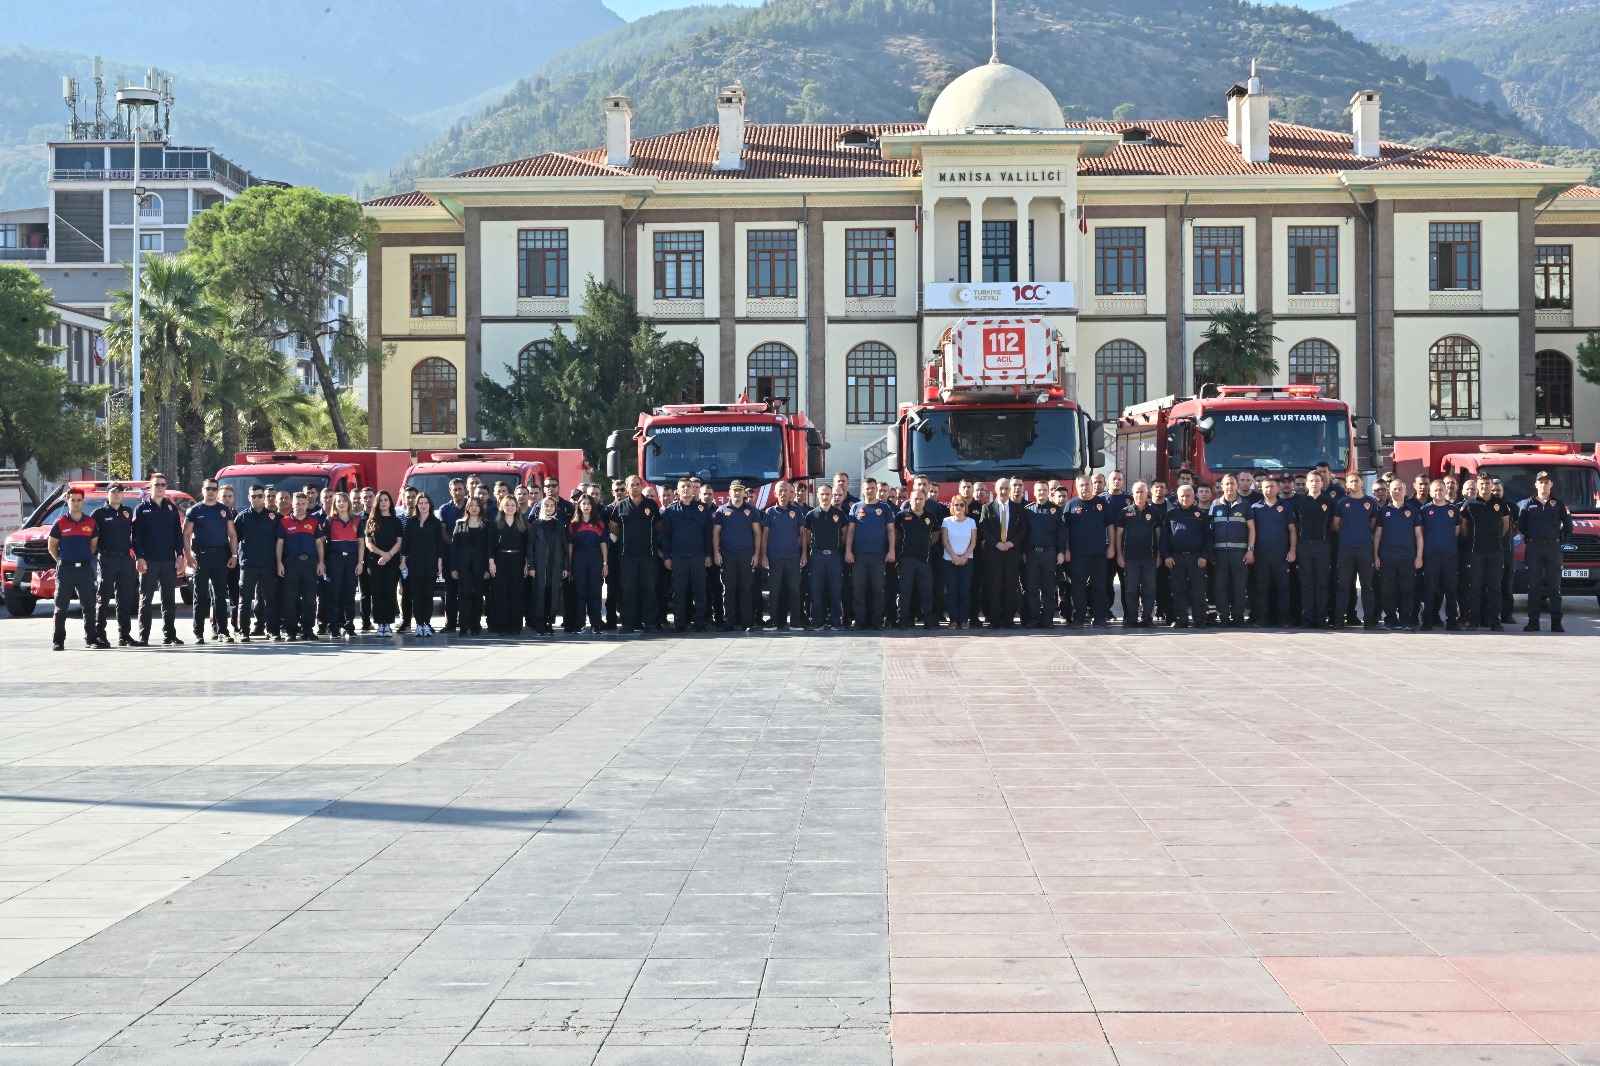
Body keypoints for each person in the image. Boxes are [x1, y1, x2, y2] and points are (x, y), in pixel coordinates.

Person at [47, 486, 103, 650]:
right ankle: (58, 640)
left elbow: (93, 546)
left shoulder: (91, 523)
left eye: (79, 500)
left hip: (85, 569)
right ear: (68, 501)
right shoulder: (60, 523)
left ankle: (91, 639)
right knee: (61, 606)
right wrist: (61, 560)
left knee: (89, 606)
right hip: (66, 569)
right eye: (73, 500)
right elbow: (52, 546)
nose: (76, 503)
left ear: (83, 502)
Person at [132, 472, 185, 646]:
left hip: (168, 561)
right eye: (157, 485)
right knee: (146, 599)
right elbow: (136, 536)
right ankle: (143, 636)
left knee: (169, 599)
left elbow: (178, 534)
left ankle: (169, 634)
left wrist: (180, 555)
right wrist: (139, 557)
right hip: (149, 561)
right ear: (151, 487)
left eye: (163, 484)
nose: (160, 487)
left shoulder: (171, 508)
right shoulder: (142, 508)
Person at [184, 478, 239, 644]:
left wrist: (234, 555)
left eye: (214, 489)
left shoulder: (224, 510)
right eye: (208, 488)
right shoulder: (194, 510)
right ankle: (198, 632)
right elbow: (186, 535)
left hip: (220, 556)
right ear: (202, 490)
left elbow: (232, 534)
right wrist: (188, 556)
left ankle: (223, 631)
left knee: (221, 596)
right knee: (200, 596)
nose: (211, 491)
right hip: (201, 556)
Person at [1518, 470, 1573, 633]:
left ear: (1551, 484)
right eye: (1540, 482)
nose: (1543, 484)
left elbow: (1569, 525)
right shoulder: (1529, 504)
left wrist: (1558, 538)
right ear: (1536, 484)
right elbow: (1521, 526)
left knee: (1554, 588)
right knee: (1533, 587)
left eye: (1546, 481)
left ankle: (1556, 623)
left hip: (1553, 548)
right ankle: (1533, 622)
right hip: (1534, 547)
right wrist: (1531, 537)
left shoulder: (1559, 503)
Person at [658, 477, 712, 633]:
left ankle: (700, 622)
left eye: (689, 486)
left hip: (698, 555)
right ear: (678, 491)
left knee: (700, 591)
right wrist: (667, 557)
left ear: (693, 489)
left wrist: (708, 554)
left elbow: (707, 533)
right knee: (679, 592)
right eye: (683, 487)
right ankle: (680, 622)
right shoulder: (670, 511)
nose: (687, 489)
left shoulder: (702, 509)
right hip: (678, 557)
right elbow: (666, 536)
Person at [610, 475, 662, 634]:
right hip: (627, 555)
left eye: (638, 484)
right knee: (628, 589)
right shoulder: (620, 506)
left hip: (648, 554)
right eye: (631, 485)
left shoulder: (651, 505)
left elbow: (659, 527)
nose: (635, 487)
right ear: (626, 487)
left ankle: (651, 623)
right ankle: (628, 623)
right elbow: (613, 527)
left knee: (649, 588)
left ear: (641, 486)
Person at [1460, 473, 1512, 631]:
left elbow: (1505, 525)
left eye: (1487, 483)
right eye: (1482, 484)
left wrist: (1495, 539)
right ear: (1478, 485)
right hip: (1476, 551)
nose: (1485, 487)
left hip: (1495, 552)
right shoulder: (1470, 504)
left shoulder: (1500, 503)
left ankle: (1495, 621)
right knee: (1475, 587)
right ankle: (1474, 620)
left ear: (1491, 484)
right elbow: (1463, 527)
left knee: (1495, 587)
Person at [91, 483, 137, 647]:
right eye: (113, 492)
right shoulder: (99, 514)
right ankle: (100, 634)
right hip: (107, 559)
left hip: (125, 559)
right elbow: (91, 538)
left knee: (124, 598)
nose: (116, 494)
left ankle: (124, 635)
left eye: (119, 492)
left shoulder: (127, 512)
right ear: (107, 494)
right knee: (103, 598)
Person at [1374, 480, 1423, 630]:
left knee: (1407, 590)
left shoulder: (1413, 511)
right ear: (1389, 491)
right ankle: (1390, 619)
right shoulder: (1383, 512)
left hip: (1407, 557)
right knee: (1387, 590)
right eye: (1394, 489)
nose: (1397, 491)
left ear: (1405, 490)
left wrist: (1419, 556)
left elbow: (1419, 536)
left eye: (1399, 489)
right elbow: (1377, 536)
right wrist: (1375, 556)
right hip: (1387, 557)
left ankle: (1405, 620)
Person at [1332, 472, 1379, 629]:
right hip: (1346, 549)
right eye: (1350, 482)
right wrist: (1347, 535)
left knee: (1367, 586)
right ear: (1347, 485)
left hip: (1365, 549)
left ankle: (1370, 621)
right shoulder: (1341, 503)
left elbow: (1372, 523)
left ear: (1361, 483)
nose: (1353, 484)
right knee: (1343, 586)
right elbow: (1336, 524)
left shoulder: (1370, 503)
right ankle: (1339, 620)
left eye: (1356, 481)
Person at [713, 482, 762, 633]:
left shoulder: (751, 510)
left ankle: (747, 622)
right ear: (730, 492)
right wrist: (716, 553)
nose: (737, 493)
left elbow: (758, 533)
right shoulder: (721, 510)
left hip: (747, 556)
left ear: (744, 493)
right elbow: (715, 533)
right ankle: (729, 622)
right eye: (735, 490)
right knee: (728, 590)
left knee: (746, 590)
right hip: (728, 556)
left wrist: (756, 554)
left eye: (740, 490)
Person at [277, 491, 325, 641]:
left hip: (310, 563)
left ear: (307, 505)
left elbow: (319, 543)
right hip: (291, 563)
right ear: (292, 504)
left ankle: (308, 629)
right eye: (298, 504)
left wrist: (321, 562)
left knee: (310, 599)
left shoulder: (314, 521)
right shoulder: (285, 521)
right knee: (291, 598)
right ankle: (291, 630)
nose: (301, 507)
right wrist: (279, 563)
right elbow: (279, 543)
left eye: (303, 504)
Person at [848, 479, 895, 632]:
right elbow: (850, 531)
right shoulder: (856, 507)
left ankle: (877, 621)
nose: (870, 491)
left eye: (872, 488)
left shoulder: (885, 508)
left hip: (879, 555)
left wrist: (891, 550)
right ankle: (860, 621)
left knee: (878, 589)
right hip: (859, 555)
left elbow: (890, 531)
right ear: (863, 489)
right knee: (859, 589)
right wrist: (848, 550)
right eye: (867, 488)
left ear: (876, 489)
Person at [1248, 477, 1297, 628]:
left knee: (1283, 588)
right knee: (1262, 588)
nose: (1269, 490)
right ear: (1261, 489)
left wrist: (1292, 550)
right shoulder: (1254, 508)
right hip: (1261, 555)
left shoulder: (1286, 506)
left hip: (1281, 555)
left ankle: (1283, 619)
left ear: (1278, 489)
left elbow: (1292, 530)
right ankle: (1263, 618)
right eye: (1266, 487)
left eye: (1272, 487)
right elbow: (1250, 531)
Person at [234, 485, 280, 642]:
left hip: (268, 564)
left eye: (260, 496)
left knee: (271, 599)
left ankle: (273, 631)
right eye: (253, 496)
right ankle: (244, 631)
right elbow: (234, 539)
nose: (257, 499)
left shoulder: (274, 517)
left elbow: (280, 541)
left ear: (265, 498)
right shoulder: (242, 517)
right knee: (245, 600)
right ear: (249, 498)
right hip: (248, 564)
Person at [1207, 474, 1252, 628]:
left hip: (1239, 553)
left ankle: (1238, 616)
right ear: (1221, 486)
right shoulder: (1215, 505)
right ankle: (1224, 616)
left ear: (1237, 485)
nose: (1229, 487)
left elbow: (1252, 529)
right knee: (1220, 586)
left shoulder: (1245, 505)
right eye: (1226, 484)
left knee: (1239, 586)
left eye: (1232, 483)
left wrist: (1250, 550)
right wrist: (1209, 551)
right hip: (1219, 553)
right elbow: (1209, 530)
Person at [978, 479, 1024, 628]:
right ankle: (994, 620)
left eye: (1006, 488)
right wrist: (996, 543)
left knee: (1011, 588)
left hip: (1012, 553)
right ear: (995, 490)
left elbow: (1023, 529)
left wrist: (1012, 543)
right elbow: (983, 528)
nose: (1004, 491)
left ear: (1010, 490)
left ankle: (1009, 619)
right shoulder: (987, 508)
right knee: (994, 587)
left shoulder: (1018, 508)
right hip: (994, 554)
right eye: (1001, 488)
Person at [1418, 480, 1463, 632]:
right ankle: (1427, 621)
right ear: (1430, 493)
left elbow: (1457, 530)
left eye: (1441, 490)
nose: (1438, 492)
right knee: (1429, 589)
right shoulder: (1424, 510)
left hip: (1449, 556)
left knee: (1451, 589)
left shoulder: (1453, 510)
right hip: (1431, 556)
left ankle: (1452, 621)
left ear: (1445, 491)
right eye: (1435, 490)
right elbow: (1421, 533)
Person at [1163, 485, 1211, 628]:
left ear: (1193, 497)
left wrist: (1204, 556)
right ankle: (1181, 619)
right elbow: (1164, 538)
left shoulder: (1200, 515)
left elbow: (1208, 538)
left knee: (1198, 590)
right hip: (1176, 559)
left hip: (1196, 559)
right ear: (1178, 498)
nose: (1185, 498)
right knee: (1178, 590)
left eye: (1188, 495)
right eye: (1182, 496)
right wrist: (1167, 556)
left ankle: (1199, 619)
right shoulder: (1171, 515)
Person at [761, 481, 807, 632]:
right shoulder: (769, 512)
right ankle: (773, 620)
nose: (783, 493)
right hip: (775, 557)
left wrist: (804, 554)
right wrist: (764, 555)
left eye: (786, 490)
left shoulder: (797, 511)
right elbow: (765, 535)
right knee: (774, 590)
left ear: (790, 493)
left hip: (793, 557)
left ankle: (795, 621)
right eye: (780, 490)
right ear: (775, 493)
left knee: (794, 589)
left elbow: (802, 534)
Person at [803, 484, 849, 630]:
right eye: (822, 494)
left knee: (836, 590)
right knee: (816, 590)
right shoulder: (811, 515)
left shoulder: (840, 514)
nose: (825, 497)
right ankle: (817, 621)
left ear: (832, 495)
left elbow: (845, 535)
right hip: (817, 557)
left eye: (828, 494)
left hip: (834, 557)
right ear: (817, 495)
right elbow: (807, 536)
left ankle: (836, 622)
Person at [1118, 481, 1163, 628]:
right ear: (1133, 494)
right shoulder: (1125, 511)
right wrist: (1119, 554)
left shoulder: (1154, 512)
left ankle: (1147, 618)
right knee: (1131, 590)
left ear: (1147, 493)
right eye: (1136, 492)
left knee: (1149, 589)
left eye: (1141, 492)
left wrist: (1158, 555)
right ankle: (1131, 618)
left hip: (1149, 558)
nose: (1139, 494)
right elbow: (1118, 535)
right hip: (1130, 558)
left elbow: (1158, 535)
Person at [1294, 470, 1335, 628]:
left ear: (1322, 482)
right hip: (1304, 546)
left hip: (1323, 546)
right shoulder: (1299, 503)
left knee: (1322, 583)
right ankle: (1308, 618)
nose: (1314, 484)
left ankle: (1321, 618)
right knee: (1306, 584)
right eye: (1311, 481)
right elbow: (1296, 526)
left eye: (1317, 481)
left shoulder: (1329, 503)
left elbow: (1334, 525)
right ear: (1307, 483)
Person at [895, 485, 939, 629]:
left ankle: (928, 620)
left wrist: (926, 544)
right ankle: (903, 620)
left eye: (921, 499)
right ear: (910, 499)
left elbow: (936, 534)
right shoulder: (901, 516)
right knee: (905, 592)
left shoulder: (930, 516)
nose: (918, 501)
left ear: (925, 500)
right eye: (915, 499)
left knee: (926, 592)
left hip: (924, 560)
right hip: (906, 559)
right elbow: (895, 535)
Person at [322, 491, 363, 638]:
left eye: (344, 500)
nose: (341, 503)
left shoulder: (357, 520)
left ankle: (349, 626)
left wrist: (360, 562)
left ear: (349, 503)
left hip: (351, 560)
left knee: (349, 594)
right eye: (338, 501)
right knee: (334, 595)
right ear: (335, 504)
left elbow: (361, 543)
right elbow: (321, 542)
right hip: (335, 560)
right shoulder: (330, 521)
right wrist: (322, 561)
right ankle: (334, 627)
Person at [364, 491, 405, 637]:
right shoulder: (371, 521)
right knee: (377, 592)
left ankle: (387, 623)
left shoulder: (396, 521)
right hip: (375, 561)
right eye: (380, 500)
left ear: (390, 502)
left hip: (392, 561)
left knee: (389, 591)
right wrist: (382, 555)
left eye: (386, 500)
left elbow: (399, 542)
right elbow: (368, 543)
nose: (383, 502)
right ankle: (379, 623)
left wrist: (388, 556)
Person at [487, 492, 528, 636]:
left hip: (518, 560)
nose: (510, 507)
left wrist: (526, 563)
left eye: (513, 505)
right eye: (507, 505)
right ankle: (502, 626)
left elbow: (526, 545)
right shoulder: (496, 524)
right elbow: (490, 545)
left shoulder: (522, 524)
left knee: (516, 594)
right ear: (502, 507)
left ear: (517, 507)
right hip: (500, 559)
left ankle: (515, 626)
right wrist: (491, 563)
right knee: (501, 595)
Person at [568, 493, 609, 634]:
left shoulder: (599, 523)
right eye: (583, 503)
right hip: (579, 558)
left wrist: (605, 563)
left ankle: (596, 625)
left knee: (595, 592)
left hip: (595, 557)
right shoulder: (574, 524)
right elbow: (570, 546)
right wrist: (569, 565)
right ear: (578, 505)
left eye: (589, 503)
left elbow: (604, 544)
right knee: (580, 593)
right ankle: (580, 625)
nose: (586, 506)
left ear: (593, 506)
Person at [450, 496, 491, 637]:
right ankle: (463, 625)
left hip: (480, 567)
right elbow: (454, 548)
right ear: (467, 507)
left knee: (478, 597)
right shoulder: (460, 524)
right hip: (463, 566)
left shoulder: (487, 525)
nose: (474, 507)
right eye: (471, 505)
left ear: (481, 507)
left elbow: (488, 548)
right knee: (464, 595)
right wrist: (453, 567)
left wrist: (487, 568)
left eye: (477, 505)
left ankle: (475, 625)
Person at [1023, 482, 1062, 628]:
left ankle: (1047, 619)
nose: (1042, 492)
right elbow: (1023, 533)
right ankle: (1034, 618)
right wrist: (1023, 552)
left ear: (1048, 492)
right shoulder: (1027, 510)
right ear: (1034, 492)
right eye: (1039, 490)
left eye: (1044, 490)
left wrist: (1060, 552)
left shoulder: (1055, 510)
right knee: (1032, 588)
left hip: (1049, 554)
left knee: (1048, 588)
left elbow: (1061, 533)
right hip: (1032, 554)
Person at [940, 495, 978, 628]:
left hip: (967, 561)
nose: (959, 507)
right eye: (956, 505)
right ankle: (953, 620)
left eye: (962, 505)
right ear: (952, 506)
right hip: (949, 561)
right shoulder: (946, 521)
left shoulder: (971, 522)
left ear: (965, 507)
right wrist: (954, 557)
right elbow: (944, 541)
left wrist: (965, 556)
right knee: (952, 592)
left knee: (964, 592)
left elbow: (973, 542)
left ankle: (963, 620)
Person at [438, 478, 468, 633]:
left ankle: (466, 622)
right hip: (450, 555)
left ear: (465, 489)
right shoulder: (445, 509)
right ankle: (450, 623)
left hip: (468, 556)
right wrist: (455, 545)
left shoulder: (471, 506)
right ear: (450, 491)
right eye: (454, 489)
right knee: (450, 591)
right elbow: (443, 531)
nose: (458, 492)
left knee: (466, 590)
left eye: (460, 489)